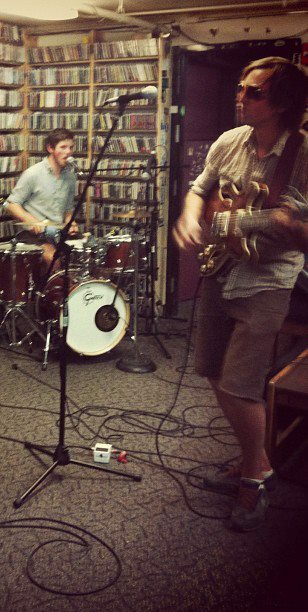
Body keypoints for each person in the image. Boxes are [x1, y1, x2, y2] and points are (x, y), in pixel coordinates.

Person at [173, 57, 307, 531]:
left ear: (284, 102)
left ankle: (255, 476)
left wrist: (288, 226)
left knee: (240, 386)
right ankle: (255, 457)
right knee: (213, 370)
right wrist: (190, 216)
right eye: (240, 88)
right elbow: (199, 189)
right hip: (220, 270)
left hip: (268, 280)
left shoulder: (303, 155)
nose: (241, 97)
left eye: (255, 92)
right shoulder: (229, 141)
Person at [4, 127, 80, 271]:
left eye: (71, 147)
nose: (68, 152)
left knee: (85, 252)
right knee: (53, 258)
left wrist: (71, 222)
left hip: (57, 233)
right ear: (50, 148)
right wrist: (31, 220)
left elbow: (68, 209)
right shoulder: (33, 174)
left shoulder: (71, 176)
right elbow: (11, 204)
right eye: (63, 147)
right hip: (33, 235)